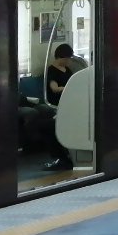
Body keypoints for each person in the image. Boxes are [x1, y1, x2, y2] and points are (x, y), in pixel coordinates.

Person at [43, 43, 76, 172]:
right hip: (56, 103)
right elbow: (54, 88)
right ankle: (60, 157)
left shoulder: (68, 70)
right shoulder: (51, 70)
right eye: (67, 58)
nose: (69, 61)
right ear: (61, 57)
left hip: (69, 102)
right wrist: (69, 87)